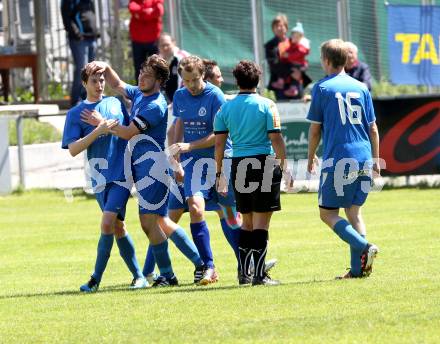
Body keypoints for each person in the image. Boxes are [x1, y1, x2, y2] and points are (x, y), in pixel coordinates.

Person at [83, 55, 205, 287]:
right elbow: (117, 85)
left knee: (151, 223)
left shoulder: (155, 105)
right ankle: (193, 267)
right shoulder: (140, 92)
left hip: (153, 170)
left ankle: (179, 271)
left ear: (159, 80)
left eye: (147, 75)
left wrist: (102, 124)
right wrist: (106, 67)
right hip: (143, 168)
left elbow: (129, 132)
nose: (141, 77)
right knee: (160, 221)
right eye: (141, 72)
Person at [62, 68, 148, 292]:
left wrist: (108, 128)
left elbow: (130, 131)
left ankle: (95, 279)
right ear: (84, 83)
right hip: (99, 178)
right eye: (94, 81)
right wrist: (98, 130)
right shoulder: (75, 113)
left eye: (101, 80)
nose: (100, 84)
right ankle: (139, 276)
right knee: (118, 227)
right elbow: (73, 149)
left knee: (108, 222)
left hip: (121, 174)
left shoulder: (116, 103)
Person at [214, 60, 293, 286]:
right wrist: (285, 167)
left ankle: (243, 273)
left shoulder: (225, 108)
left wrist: (220, 173)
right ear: (258, 80)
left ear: (237, 81)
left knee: (246, 221)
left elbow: (219, 145)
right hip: (265, 164)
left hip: (239, 164)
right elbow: (275, 138)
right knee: (261, 223)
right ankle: (259, 275)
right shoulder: (267, 105)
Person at [306, 39, 379, 279]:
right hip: (364, 156)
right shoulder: (361, 87)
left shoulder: (322, 88)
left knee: (327, 213)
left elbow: (315, 130)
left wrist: (310, 156)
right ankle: (357, 271)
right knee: (354, 212)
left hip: (339, 157)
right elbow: (374, 129)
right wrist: (376, 160)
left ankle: (364, 247)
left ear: (326, 60)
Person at [169, 55, 243, 285]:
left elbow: (220, 135)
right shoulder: (180, 95)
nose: (191, 85)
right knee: (195, 208)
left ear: (203, 76)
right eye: (187, 80)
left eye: (195, 80)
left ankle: (247, 262)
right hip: (193, 164)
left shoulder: (215, 96)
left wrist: (189, 145)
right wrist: (175, 159)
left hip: (220, 159)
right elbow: (178, 126)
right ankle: (209, 267)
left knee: (230, 215)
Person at [61, 0, 99, 106]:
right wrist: (77, 33)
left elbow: (92, 13)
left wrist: (95, 31)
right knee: (81, 69)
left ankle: (89, 97)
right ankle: (76, 100)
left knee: (93, 69)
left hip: (91, 37)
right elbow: (66, 17)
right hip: (79, 39)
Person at [129, 0, 164, 81]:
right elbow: (132, 8)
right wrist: (149, 11)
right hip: (137, 40)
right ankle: (140, 91)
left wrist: (140, 14)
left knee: (156, 67)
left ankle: (157, 89)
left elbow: (159, 11)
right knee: (139, 69)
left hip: (153, 39)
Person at [275, 22, 311, 99]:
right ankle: (282, 81)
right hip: (285, 82)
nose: (294, 37)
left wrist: (288, 56)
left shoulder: (301, 46)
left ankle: (293, 88)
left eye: (297, 36)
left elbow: (301, 55)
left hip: (297, 70)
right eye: (293, 35)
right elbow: (282, 58)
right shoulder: (285, 45)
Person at [158, 33, 189, 103]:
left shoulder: (182, 57)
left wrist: (177, 100)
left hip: (184, 98)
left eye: (167, 45)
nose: (165, 48)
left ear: (173, 43)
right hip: (166, 99)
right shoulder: (157, 60)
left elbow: (186, 81)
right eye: (162, 45)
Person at [264, 14, 289, 98]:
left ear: (286, 27)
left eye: (281, 26)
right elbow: (274, 64)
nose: (279, 28)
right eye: (276, 26)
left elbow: (300, 62)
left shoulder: (294, 44)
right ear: (273, 29)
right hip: (278, 87)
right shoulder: (269, 45)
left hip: (295, 85)